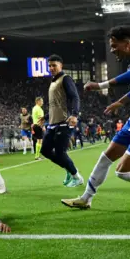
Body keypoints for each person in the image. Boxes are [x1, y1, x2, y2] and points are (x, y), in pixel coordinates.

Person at [62, 26, 130, 209]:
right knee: (105, 157)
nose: (112, 50)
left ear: (127, 44)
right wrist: (120, 103)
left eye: (115, 46)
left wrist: (100, 85)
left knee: (123, 172)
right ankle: (85, 199)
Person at [40, 54, 84, 187]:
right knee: (45, 151)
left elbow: (75, 97)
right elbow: (57, 104)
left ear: (61, 66)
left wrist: (75, 114)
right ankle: (69, 169)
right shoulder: (53, 82)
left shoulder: (66, 79)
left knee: (60, 152)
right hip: (53, 123)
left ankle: (77, 177)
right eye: (50, 66)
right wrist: (46, 117)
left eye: (54, 65)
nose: (51, 68)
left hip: (64, 123)